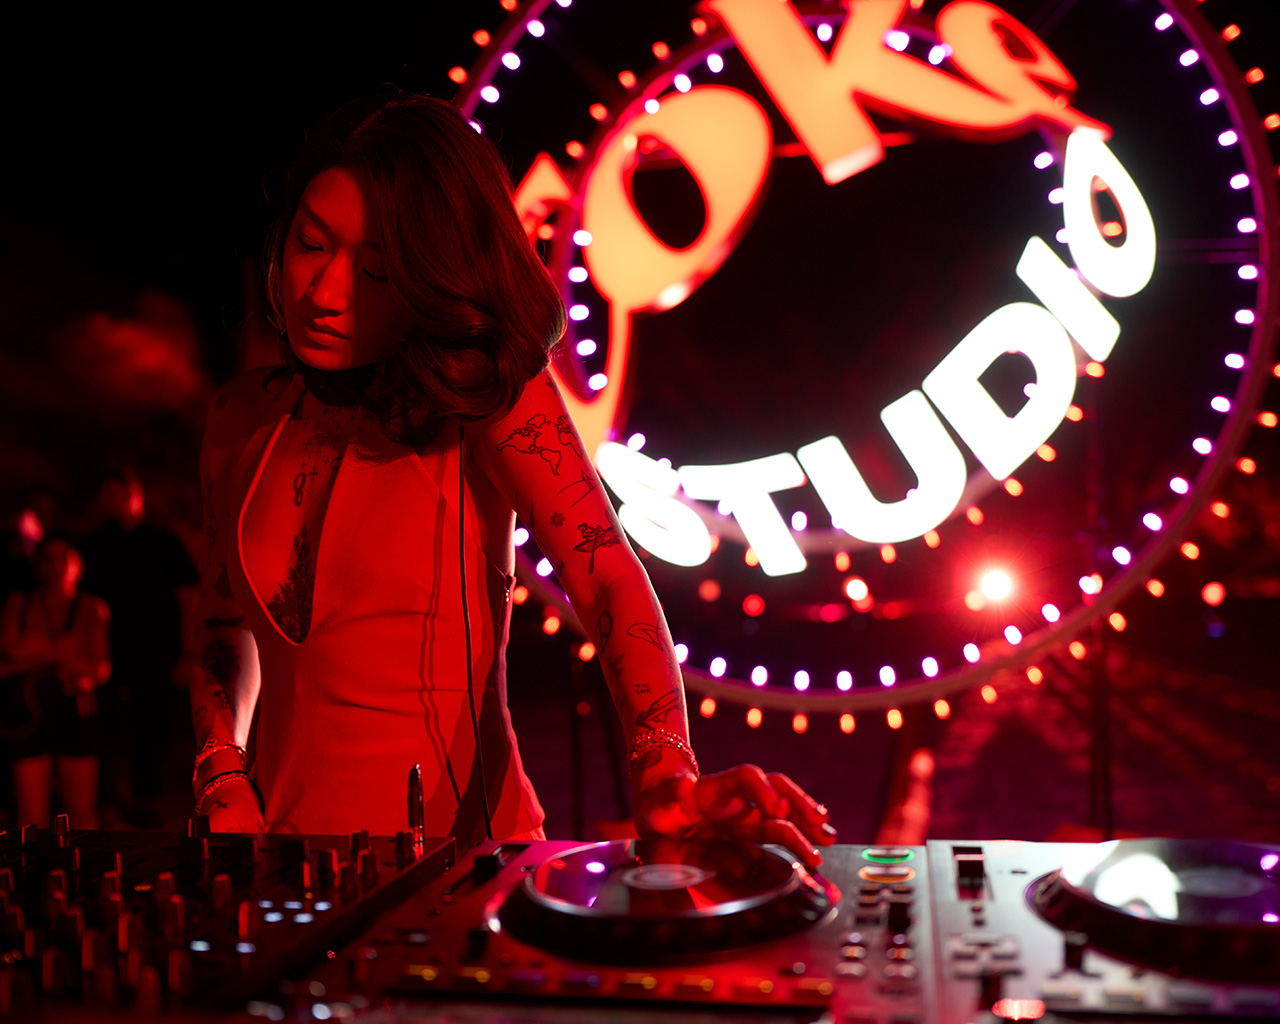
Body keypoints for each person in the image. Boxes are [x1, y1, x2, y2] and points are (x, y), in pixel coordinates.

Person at [191, 91, 835, 867]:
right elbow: (223, 628)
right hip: (279, 866)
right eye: (310, 244)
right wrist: (220, 769)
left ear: (429, 276)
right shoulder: (238, 418)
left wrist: (667, 767)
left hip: (462, 862)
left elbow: (604, 578)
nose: (324, 295)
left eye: (375, 270)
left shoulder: (483, 396)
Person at [80, 469, 200, 827]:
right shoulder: (94, 544)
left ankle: (148, 799)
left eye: (122, 494)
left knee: (152, 727)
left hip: (156, 652)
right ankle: (110, 801)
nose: (115, 502)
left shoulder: (163, 541)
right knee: (106, 727)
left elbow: (188, 597)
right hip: (109, 652)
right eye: (109, 495)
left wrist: (185, 651)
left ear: (137, 497)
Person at [0, 536, 111, 828]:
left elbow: (100, 669)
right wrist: (61, 652)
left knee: (82, 813)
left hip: (75, 714)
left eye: (64, 557)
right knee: (31, 817)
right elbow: (5, 663)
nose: (56, 566)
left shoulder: (91, 607)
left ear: (78, 564)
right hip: (27, 718)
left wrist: (35, 650)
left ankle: (88, 870)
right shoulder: (19, 604)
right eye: (48, 558)